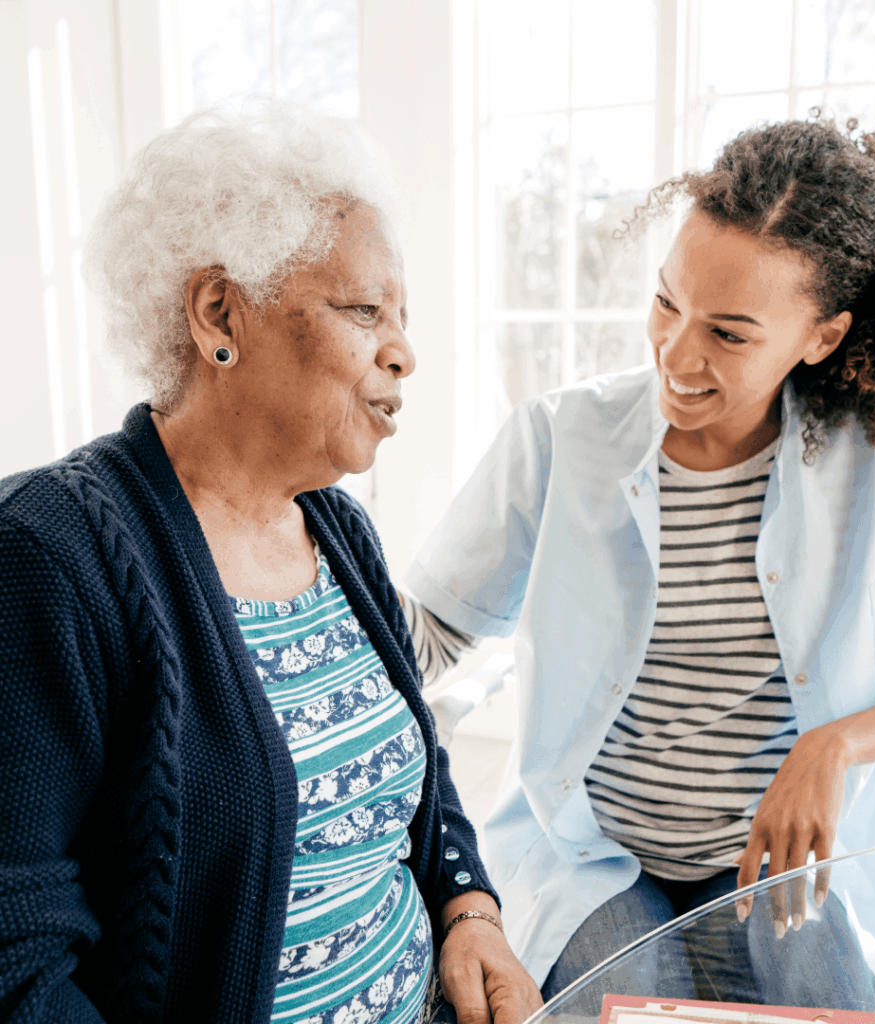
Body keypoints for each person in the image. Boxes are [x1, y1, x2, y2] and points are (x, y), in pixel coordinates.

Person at [401, 119, 875, 1008]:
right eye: (666, 303)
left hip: (785, 869)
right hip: (596, 856)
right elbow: (427, 632)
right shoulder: (556, 440)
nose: (676, 355)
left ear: (822, 336)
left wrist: (833, 748)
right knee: (630, 998)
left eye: (728, 335)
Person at [0, 102, 541, 1024]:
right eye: (365, 309)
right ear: (220, 313)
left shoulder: (337, 527)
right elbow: (17, 949)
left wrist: (469, 909)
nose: (404, 351)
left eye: (401, 316)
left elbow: (415, 761)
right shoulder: (48, 554)